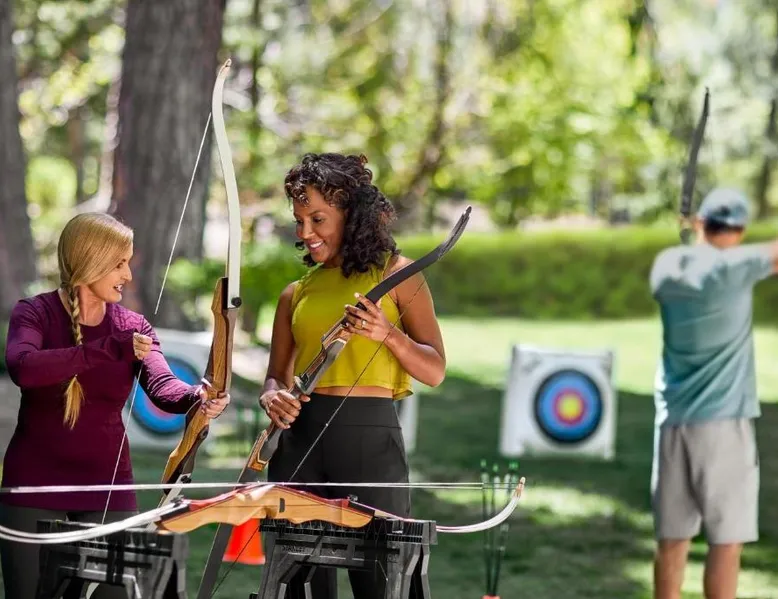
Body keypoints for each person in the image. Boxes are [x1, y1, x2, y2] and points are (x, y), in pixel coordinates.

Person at [0, 212, 230, 599]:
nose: (128, 275)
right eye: (119, 263)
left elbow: (164, 387)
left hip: (108, 486)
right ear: (90, 260)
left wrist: (198, 396)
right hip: (34, 484)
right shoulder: (35, 312)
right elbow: (23, 367)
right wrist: (107, 348)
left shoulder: (133, 326)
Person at [258, 152, 446, 598]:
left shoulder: (398, 275)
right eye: (299, 220)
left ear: (350, 212)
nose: (305, 233)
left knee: (380, 582)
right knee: (300, 584)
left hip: (370, 443)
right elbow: (275, 377)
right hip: (299, 444)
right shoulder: (295, 293)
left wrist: (388, 335)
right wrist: (272, 397)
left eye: (318, 219)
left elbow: (435, 369)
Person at [649, 188, 778, 599]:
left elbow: (693, 259)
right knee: (726, 541)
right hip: (722, 427)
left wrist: (691, 238)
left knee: (672, 540)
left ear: (701, 222)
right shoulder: (735, 266)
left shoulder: (666, 267)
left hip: (672, 424)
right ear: (739, 230)